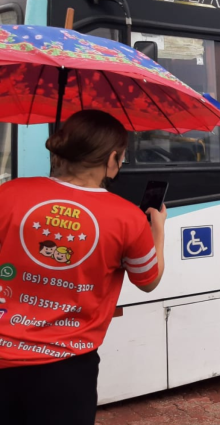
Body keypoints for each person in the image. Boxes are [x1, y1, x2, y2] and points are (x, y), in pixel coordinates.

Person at [0, 110, 167, 425]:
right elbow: (148, 280)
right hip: (66, 370)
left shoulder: (9, 193)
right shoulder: (127, 218)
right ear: (114, 158)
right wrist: (157, 230)